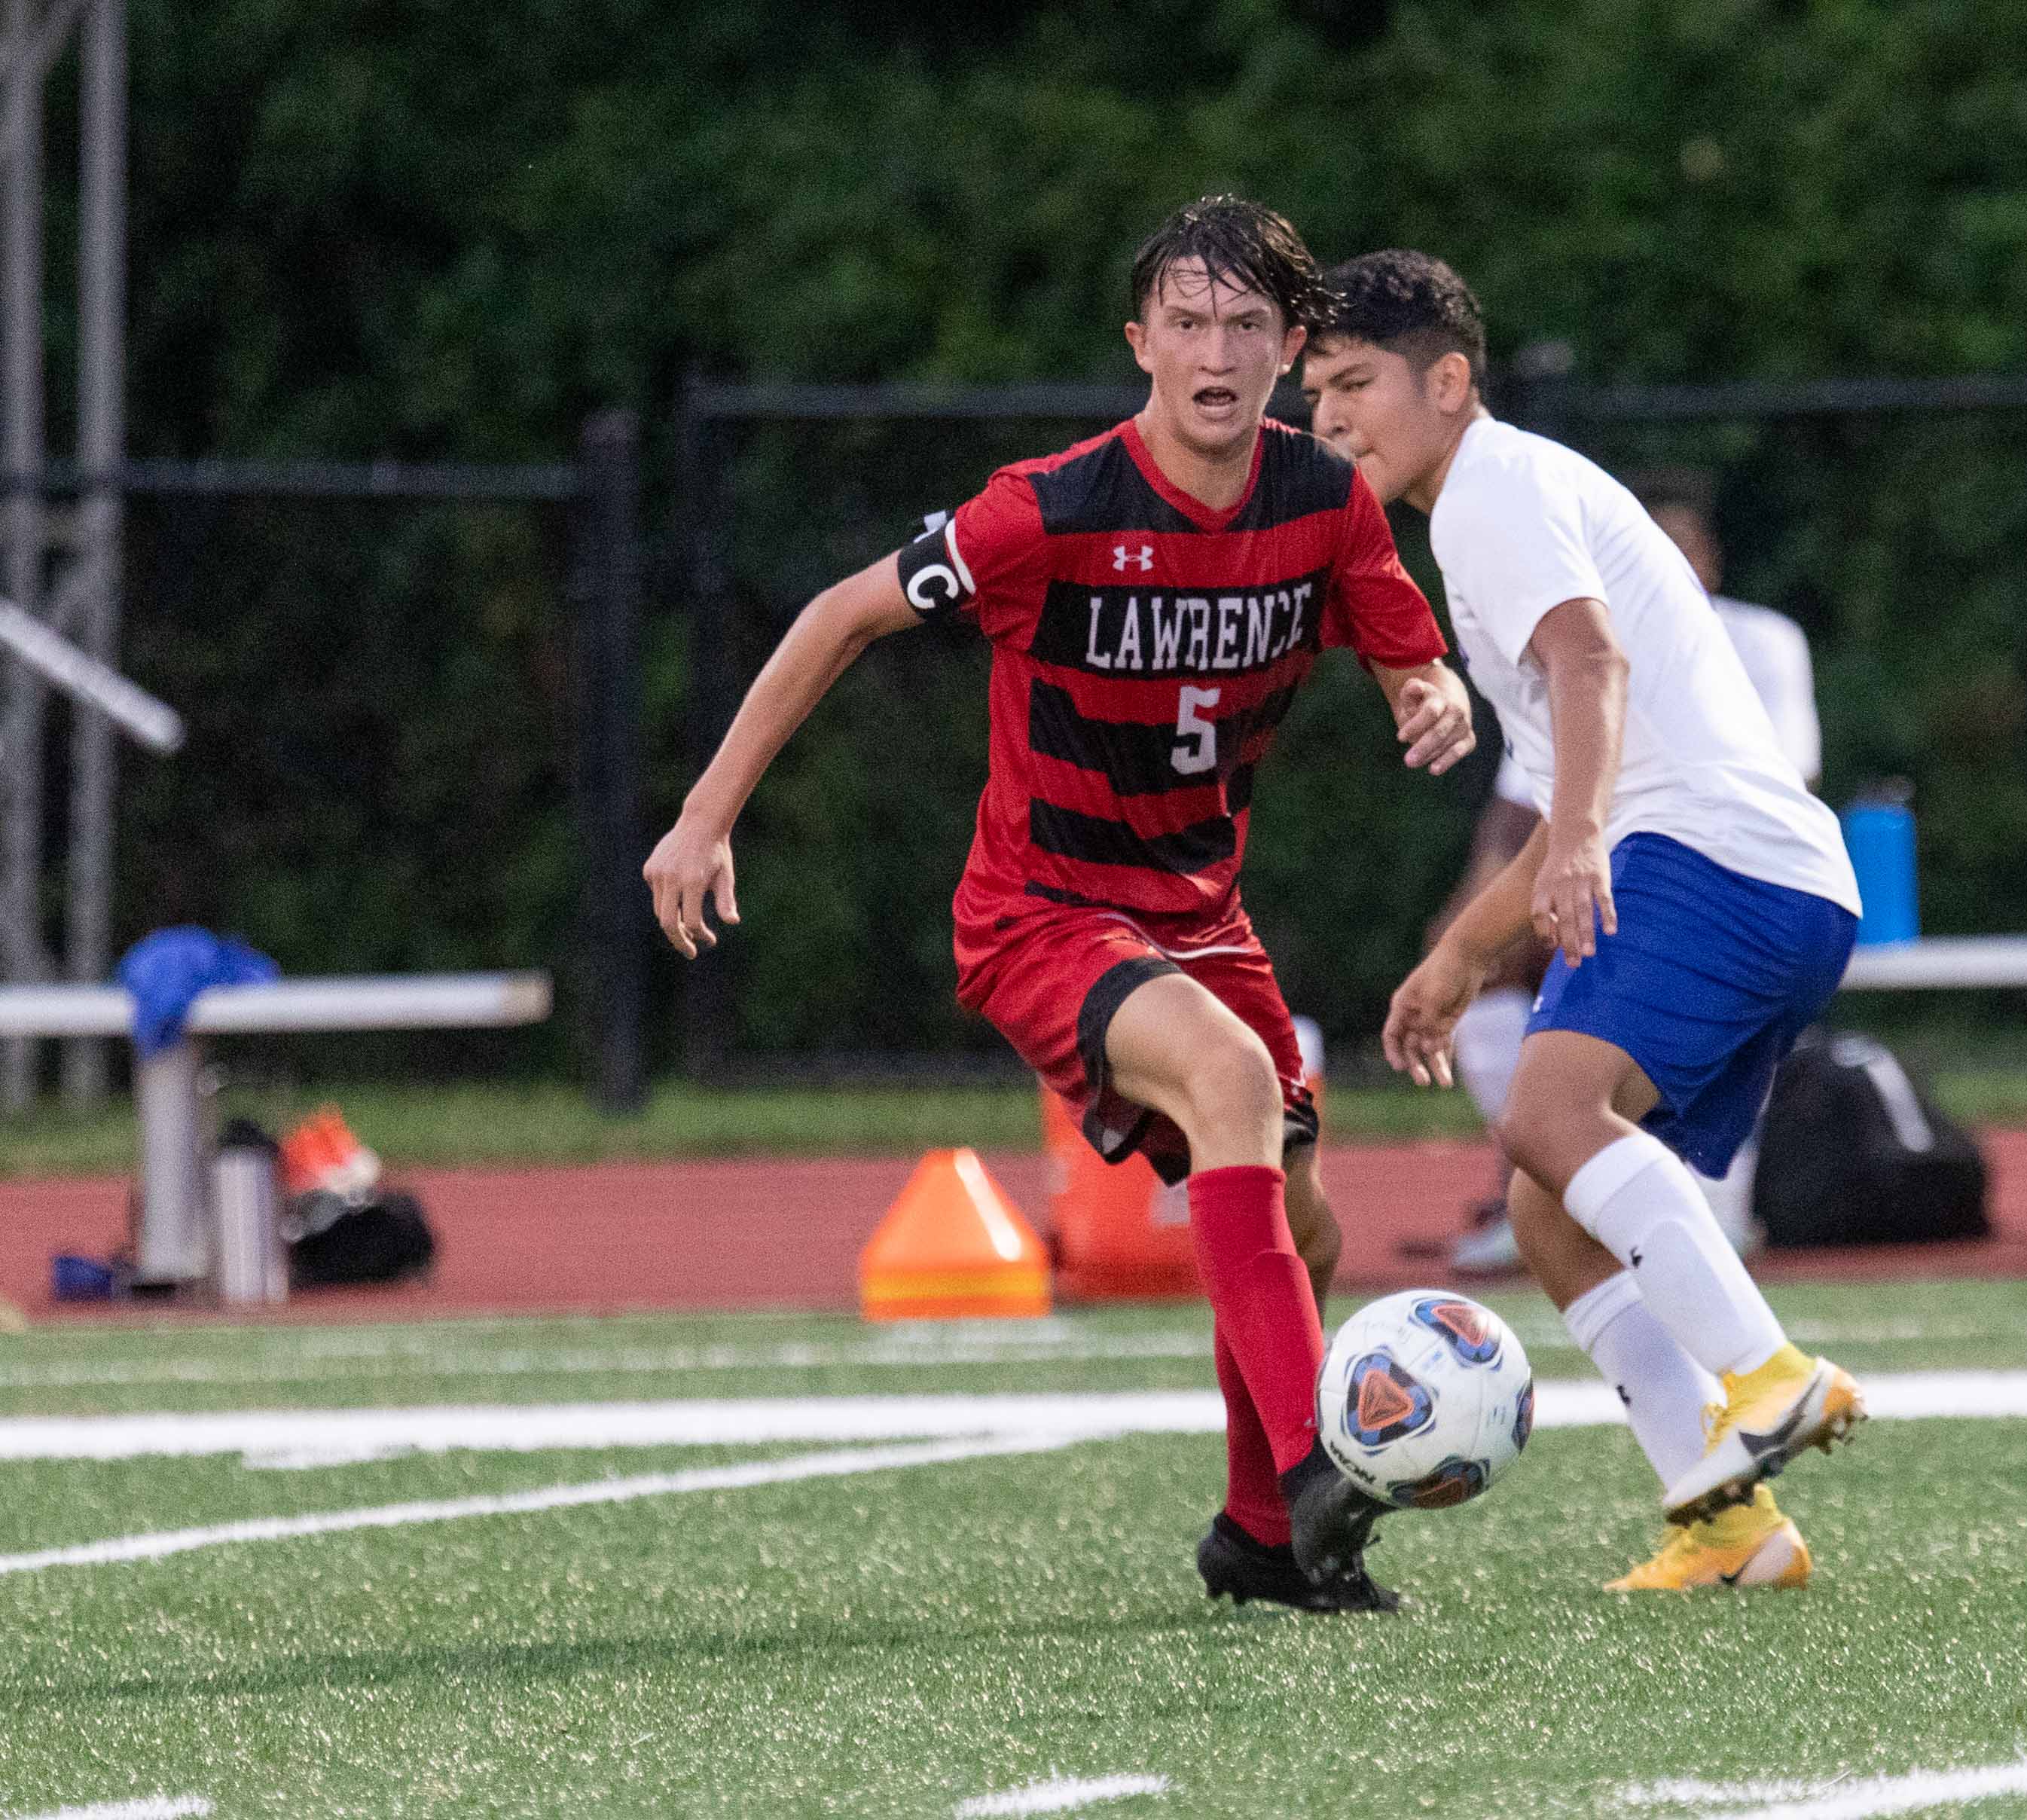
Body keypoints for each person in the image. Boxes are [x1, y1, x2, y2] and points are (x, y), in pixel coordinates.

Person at [643, 198, 1473, 1614]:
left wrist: (1428, 690)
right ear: (1138, 342)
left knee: (1310, 1228)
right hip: (1043, 909)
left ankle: (1256, 1539)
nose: (1216, 351)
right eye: (1189, 322)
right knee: (1223, 1083)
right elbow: (839, 615)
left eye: (1248, 325)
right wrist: (704, 813)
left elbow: (1407, 651)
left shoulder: (1323, 500)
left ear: (1288, 351)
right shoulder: (1048, 509)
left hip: (1202, 915)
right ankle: (1310, 1472)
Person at [1303, 249, 1865, 1595]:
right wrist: (1453, 959)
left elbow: (1591, 668)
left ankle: (1771, 1375)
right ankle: (1725, 1519)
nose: (1327, 418)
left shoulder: (1493, 488)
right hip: (1768, 872)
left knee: (1548, 1116)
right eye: (1312, 392)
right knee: (1548, 1208)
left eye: (1355, 383)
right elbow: (1570, 760)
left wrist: (1579, 838)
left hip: (1718, 858)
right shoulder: (1482, 507)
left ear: (1448, 382)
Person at [1439, 470, 1823, 1272]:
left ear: (1711, 560)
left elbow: (1779, 788)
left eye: (1684, 547)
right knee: (1484, 959)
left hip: (1721, 878)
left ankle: (1710, 1209)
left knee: (1680, 953)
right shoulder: (1571, 651)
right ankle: (1540, 1184)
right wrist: (1464, 938)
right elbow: (1516, 821)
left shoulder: (1756, 642)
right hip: (1597, 882)